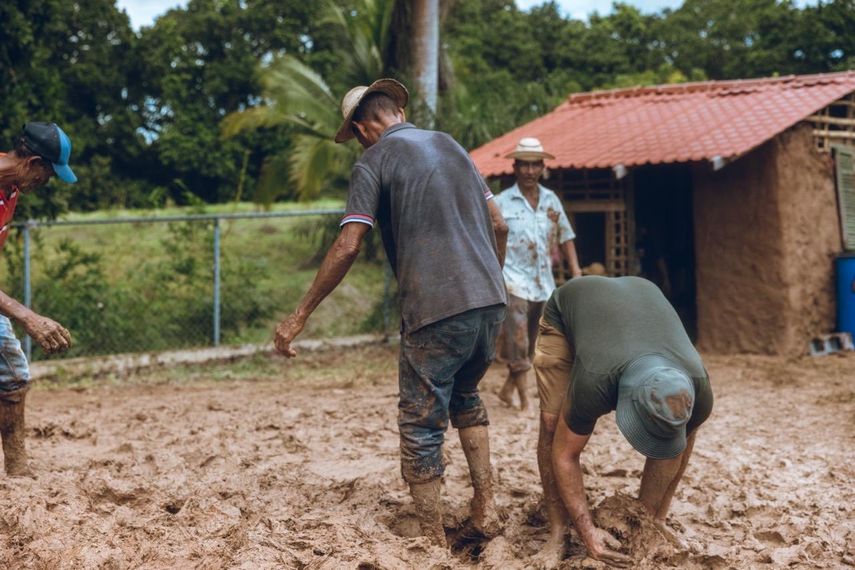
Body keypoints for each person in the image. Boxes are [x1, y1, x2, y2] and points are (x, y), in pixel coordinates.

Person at [273, 79, 509, 547]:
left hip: (436, 308)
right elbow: (499, 224)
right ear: (398, 112)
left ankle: (432, 539)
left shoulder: (373, 160)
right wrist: (488, 283)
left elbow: (348, 246)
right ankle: (486, 506)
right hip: (489, 301)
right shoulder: (452, 145)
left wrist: (298, 315)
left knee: (420, 421)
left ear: (362, 130)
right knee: (465, 396)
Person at [532, 276, 713, 568]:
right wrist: (587, 532)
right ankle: (558, 532)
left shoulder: (699, 388)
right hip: (569, 310)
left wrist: (649, 520)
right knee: (553, 426)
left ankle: (655, 520)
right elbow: (565, 454)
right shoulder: (596, 379)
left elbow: (681, 442)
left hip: (641, 296)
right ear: (625, 397)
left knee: (673, 437)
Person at [0, 122, 77, 476]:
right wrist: (27, 316)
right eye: (48, 173)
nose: (47, 182)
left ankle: (17, 468)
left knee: (13, 374)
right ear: (33, 163)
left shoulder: (10, 188)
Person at [494, 137, 582, 411]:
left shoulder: (551, 201)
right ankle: (525, 400)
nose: (529, 171)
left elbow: (565, 236)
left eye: (535, 165)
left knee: (535, 343)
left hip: (543, 282)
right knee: (518, 340)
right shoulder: (502, 202)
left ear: (543, 167)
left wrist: (576, 272)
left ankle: (507, 391)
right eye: (524, 165)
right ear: (515, 167)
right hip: (512, 281)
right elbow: (488, 238)